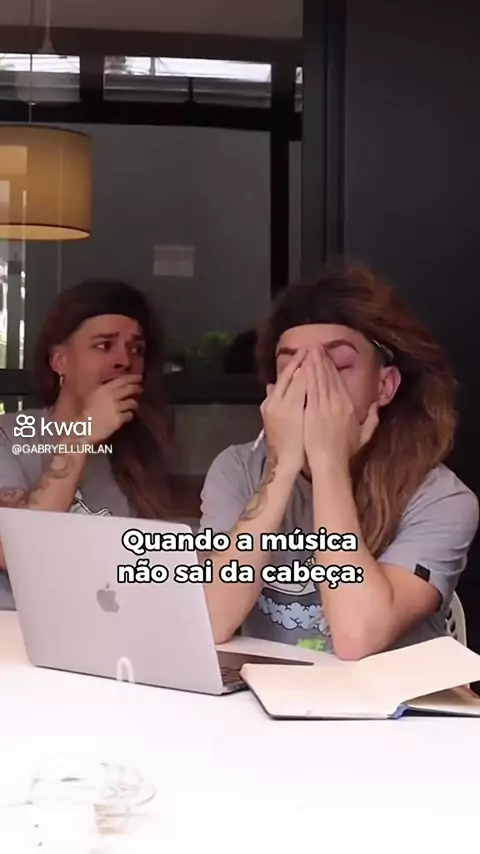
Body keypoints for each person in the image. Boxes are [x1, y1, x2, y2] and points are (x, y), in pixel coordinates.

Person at [199, 262, 479, 660]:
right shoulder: (237, 470)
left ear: (384, 386)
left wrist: (328, 463)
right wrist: (281, 469)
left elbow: (356, 637)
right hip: (269, 694)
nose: (312, 384)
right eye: (292, 368)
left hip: (389, 701)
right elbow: (208, 620)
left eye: (338, 366)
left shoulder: (441, 499)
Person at [0, 279, 176, 608]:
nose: (124, 360)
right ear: (59, 361)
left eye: (136, 349)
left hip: (111, 625)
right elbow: (15, 550)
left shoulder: (140, 451)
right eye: (104, 345)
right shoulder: (9, 435)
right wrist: (82, 435)